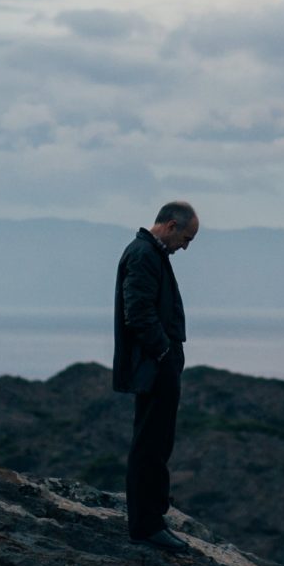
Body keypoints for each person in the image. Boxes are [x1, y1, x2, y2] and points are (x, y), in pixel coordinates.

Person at [113, 200, 197, 547]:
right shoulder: (144, 254)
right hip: (154, 365)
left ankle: (153, 520)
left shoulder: (150, 253)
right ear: (172, 225)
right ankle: (146, 526)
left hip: (158, 363)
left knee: (158, 442)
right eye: (187, 238)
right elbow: (138, 312)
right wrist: (164, 352)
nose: (186, 247)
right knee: (150, 444)